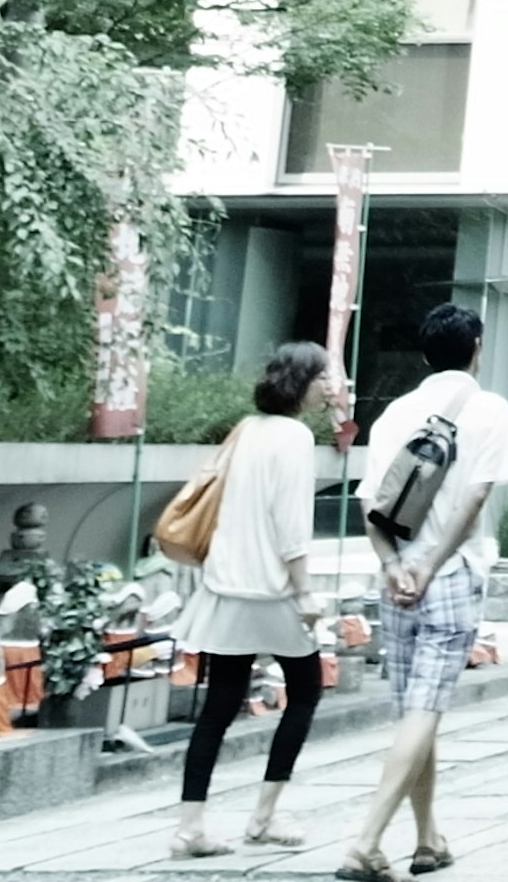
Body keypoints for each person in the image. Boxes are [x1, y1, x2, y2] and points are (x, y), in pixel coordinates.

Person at [341, 303, 508, 882]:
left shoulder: (395, 411)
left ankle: (426, 840)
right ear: (477, 348)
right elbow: (474, 501)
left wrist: (395, 565)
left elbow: (371, 503)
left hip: (396, 583)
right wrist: (433, 565)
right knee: (423, 711)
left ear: (424, 353)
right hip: (448, 576)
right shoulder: (489, 409)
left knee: (419, 713)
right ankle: (365, 843)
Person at [169, 342, 331, 859]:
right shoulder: (296, 438)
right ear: (302, 382)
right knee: (305, 691)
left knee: (218, 707)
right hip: (273, 591)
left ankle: (190, 826)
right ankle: (263, 816)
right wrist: (304, 589)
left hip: (226, 586)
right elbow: (291, 524)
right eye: (323, 377)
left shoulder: (246, 430)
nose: (330, 387)